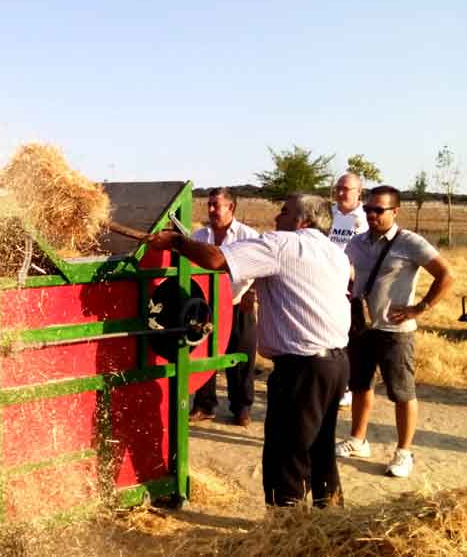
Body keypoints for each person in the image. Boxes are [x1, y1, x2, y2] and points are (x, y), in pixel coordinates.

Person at [147, 194, 350, 507]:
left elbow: (215, 260)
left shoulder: (283, 244)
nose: (276, 218)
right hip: (336, 364)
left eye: (284, 212)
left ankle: (285, 531)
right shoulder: (334, 253)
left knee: (287, 453)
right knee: (320, 448)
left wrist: (176, 242)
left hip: (302, 367)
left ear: (302, 220)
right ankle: (331, 521)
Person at [336, 185, 454, 478]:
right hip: (362, 329)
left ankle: (404, 452)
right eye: (368, 209)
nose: (372, 214)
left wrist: (420, 307)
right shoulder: (357, 242)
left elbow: (446, 275)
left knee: (402, 393)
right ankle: (358, 439)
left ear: (395, 211)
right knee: (361, 386)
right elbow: (347, 274)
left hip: (395, 332)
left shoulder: (410, 242)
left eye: (379, 210)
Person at [187, 188, 259, 426]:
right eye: (208, 204)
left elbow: (262, 268)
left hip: (238, 304)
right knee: (204, 353)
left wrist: (251, 292)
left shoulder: (249, 236)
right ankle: (204, 406)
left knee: (241, 357)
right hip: (206, 306)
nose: (210, 210)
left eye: (215, 205)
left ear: (231, 208)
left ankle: (242, 408)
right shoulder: (198, 237)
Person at [329, 173, 368, 408]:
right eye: (338, 188)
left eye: (346, 189)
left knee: (351, 338)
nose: (341, 193)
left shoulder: (363, 219)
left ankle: (348, 386)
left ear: (358, 193)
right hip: (327, 284)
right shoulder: (328, 215)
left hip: (352, 287)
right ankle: (334, 383)